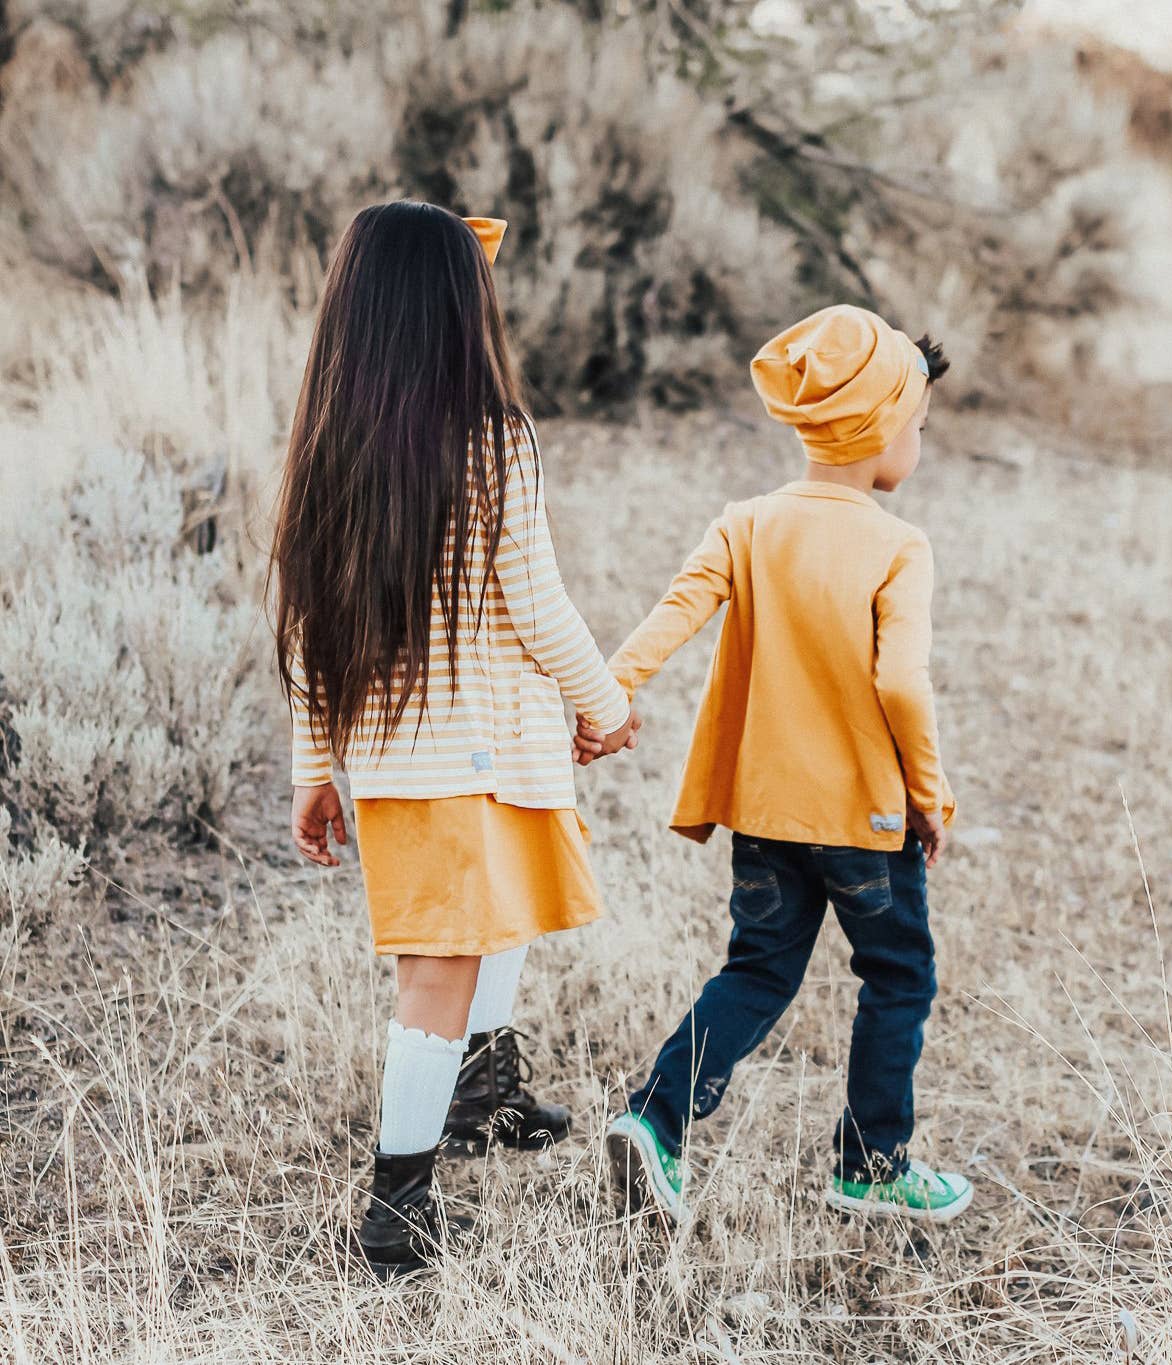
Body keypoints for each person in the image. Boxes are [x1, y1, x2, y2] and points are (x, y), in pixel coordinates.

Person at [271, 202, 640, 1279]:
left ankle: (481, 1087)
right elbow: (536, 596)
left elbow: (309, 627)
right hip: (458, 760)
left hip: (437, 759)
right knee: (440, 971)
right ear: (453, 313)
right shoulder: (494, 442)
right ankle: (398, 1207)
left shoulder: (330, 447)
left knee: (497, 914)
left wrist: (314, 767)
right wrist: (605, 702)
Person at [576, 304, 971, 1224]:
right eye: (917, 427)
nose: (917, 444)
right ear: (881, 430)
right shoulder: (896, 545)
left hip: (761, 815)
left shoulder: (747, 524)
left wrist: (609, 697)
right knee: (898, 976)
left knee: (754, 971)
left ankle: (656, 1121)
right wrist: (929, 794)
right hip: (864, 824)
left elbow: (672, 614)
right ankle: (871, 1165)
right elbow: (902, 685)